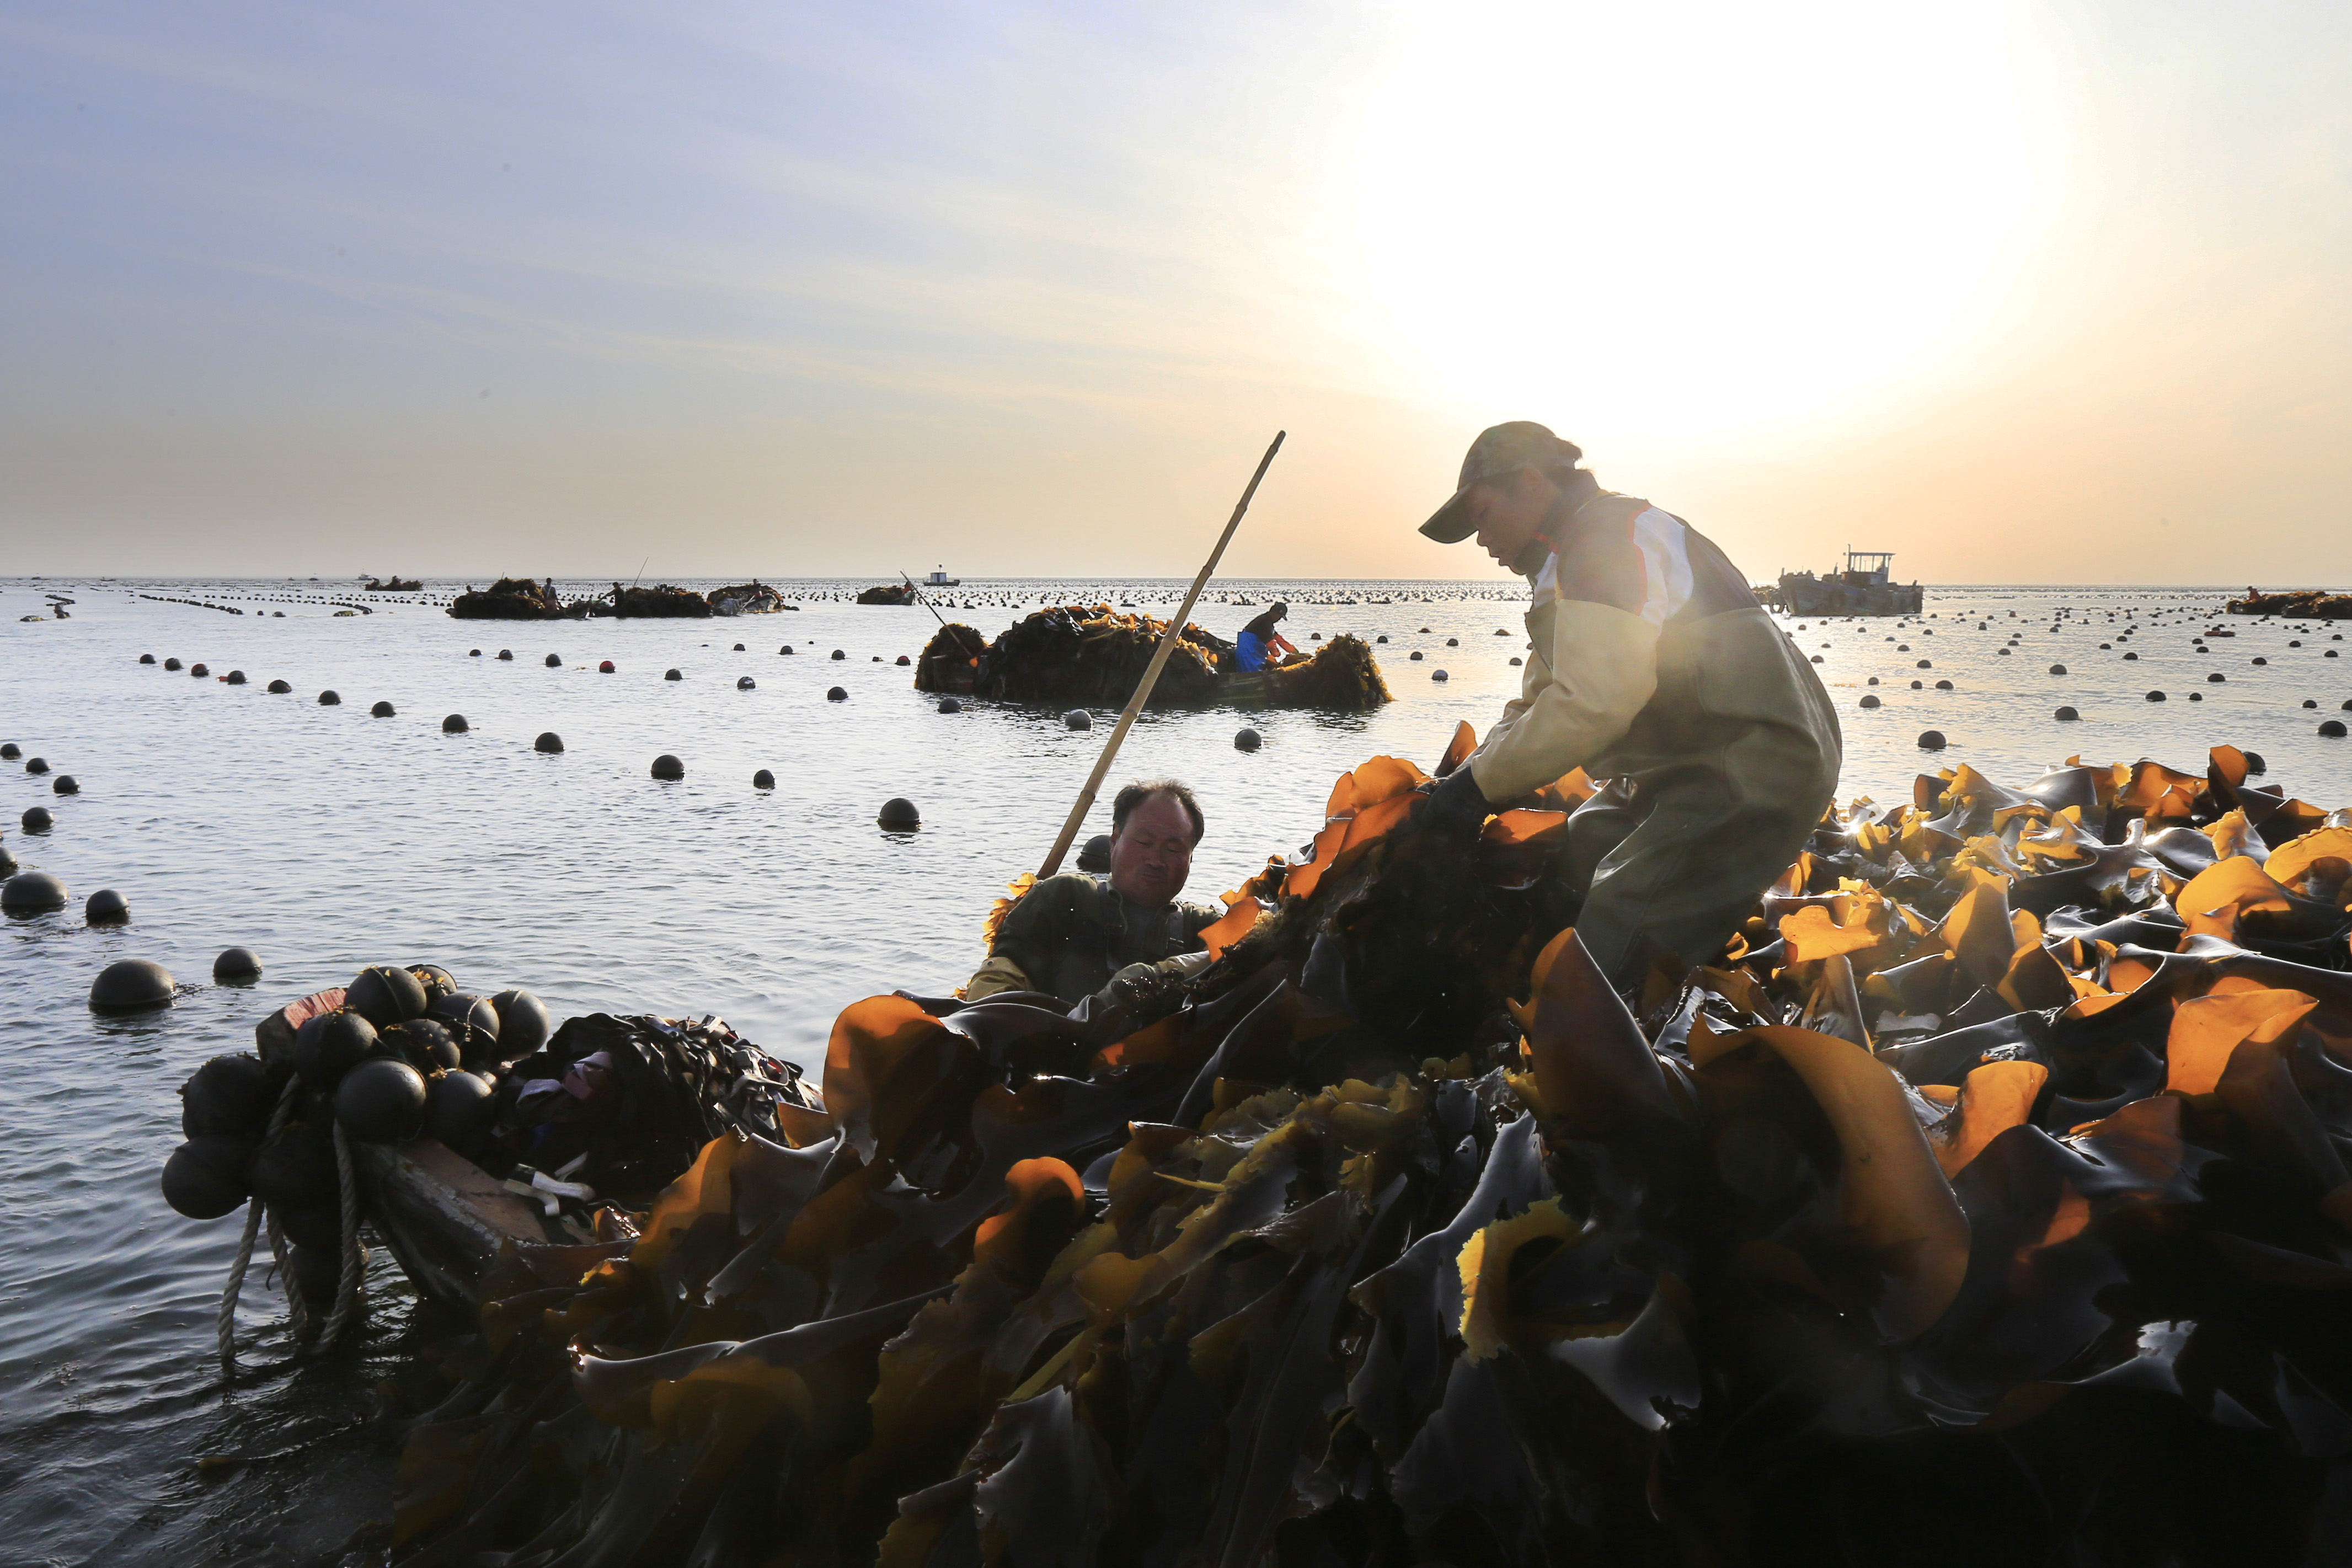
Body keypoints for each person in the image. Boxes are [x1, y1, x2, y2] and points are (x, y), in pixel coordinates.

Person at [1414, 421, 1842, 993]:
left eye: (1483, 514)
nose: (1479, 539)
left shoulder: (1608, 538)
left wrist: (1473, 793)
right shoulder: (1566, 558)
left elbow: (1596, 699)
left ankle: (1602, 1034)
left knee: (1617, 929)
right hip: (1677, 764)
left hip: (1749, 763)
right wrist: (1466, 780)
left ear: (1531, 483)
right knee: (1572, 856)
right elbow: (1540, 699)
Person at [965, 780, 1222, 1023]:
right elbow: (998, 976)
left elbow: (1254, 946)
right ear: (1115, 840)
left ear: (1191, 857)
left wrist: (1169, 970)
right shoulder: (1064, 896)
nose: (1155, 860)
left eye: (1174, 849)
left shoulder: (1204, 928)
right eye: (1144, 843)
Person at [1234, 602, 1299, 672]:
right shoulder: (1265, 623)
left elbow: (1279, 639)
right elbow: (1270, 644)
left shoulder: (1268, 622)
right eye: (1280, 617)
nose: (1279, 620)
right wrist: (1277, 654)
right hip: (1248, 653)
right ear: (1275, 613)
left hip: (1253, 654)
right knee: (1250, 673)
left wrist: (1294, 651)